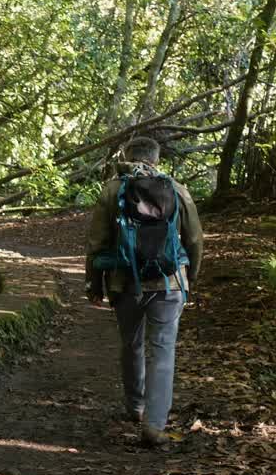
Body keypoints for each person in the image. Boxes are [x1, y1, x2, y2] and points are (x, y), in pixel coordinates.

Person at [84, 137, 203, 447]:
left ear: (126, 156)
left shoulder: (113, 189)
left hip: (125, 283)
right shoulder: (175, 188)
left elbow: (97, 241)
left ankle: (135, 406)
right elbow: (195, 239)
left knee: (131, 344)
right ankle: (154, 424)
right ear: (156, 159)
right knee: (163, 350)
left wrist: (94, 283)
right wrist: (191, 278)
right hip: (169, 283)